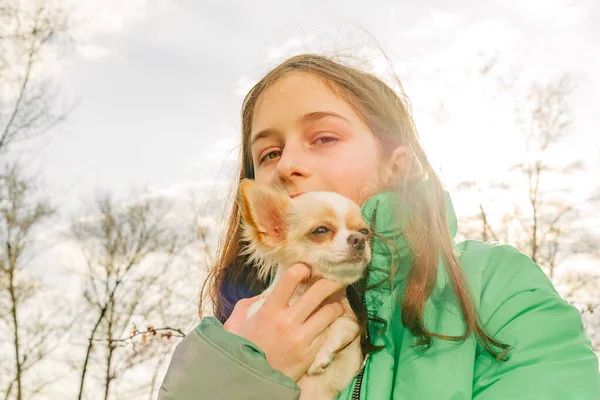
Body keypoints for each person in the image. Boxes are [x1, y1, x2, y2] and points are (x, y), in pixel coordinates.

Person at [158, 53, 600, 399]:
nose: (289, 163)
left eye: (324, 138)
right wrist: (239, 376)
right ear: (267, 222)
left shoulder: (493, 284)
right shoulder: (223, 340)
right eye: (269, 153)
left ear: (396, 167)